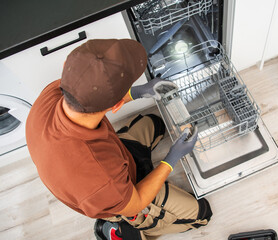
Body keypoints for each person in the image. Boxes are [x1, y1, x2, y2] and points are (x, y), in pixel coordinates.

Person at [25, 39, 212, 240]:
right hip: (122, 196)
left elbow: (96, 97)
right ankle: (122, 229)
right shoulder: (101, 178)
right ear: (116, 107)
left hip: (112, 159)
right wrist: (172, 159)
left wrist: (140, 92)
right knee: (202, 215)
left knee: (156, 123)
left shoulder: (54, 92)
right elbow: (139, 199)